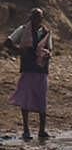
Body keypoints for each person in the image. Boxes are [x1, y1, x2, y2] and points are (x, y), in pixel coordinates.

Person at [5, 8, 52, 140]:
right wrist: (20, 51)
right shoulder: (23, 29)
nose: (37, 20)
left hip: (41, 70)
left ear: (42, 19)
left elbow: (49, 48)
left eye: (40, 17)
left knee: (42, 99)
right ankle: (26, 130)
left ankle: (42, 131)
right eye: (35, 17)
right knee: (25, 99)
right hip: (27, 69)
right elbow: (7, 42)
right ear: (30, 18)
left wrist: (47, 54)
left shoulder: (47, 33)